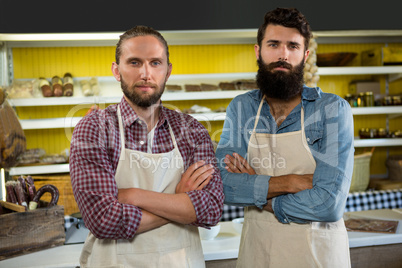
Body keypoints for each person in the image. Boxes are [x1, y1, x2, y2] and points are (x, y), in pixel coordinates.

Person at [70, 25, 224, 268]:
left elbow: (211, 210)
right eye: (134, 62)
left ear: (168, 71)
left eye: (155, 63)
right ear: (116, 70)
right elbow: (104, 220)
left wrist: (133, 196)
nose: (145, 73)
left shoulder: (192, 130)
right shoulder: (94, 128)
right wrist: (179, 200)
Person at [215, 7, 354, 267]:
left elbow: (328, 204)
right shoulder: (242, 108)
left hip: (317, 257)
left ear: (305, 55)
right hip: (258, 255)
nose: (283, 54)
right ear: (258, 51)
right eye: (274, 44)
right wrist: (289, 182)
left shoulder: (332, 109)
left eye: (292, 46)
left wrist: (256, 189)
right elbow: (222, 185)